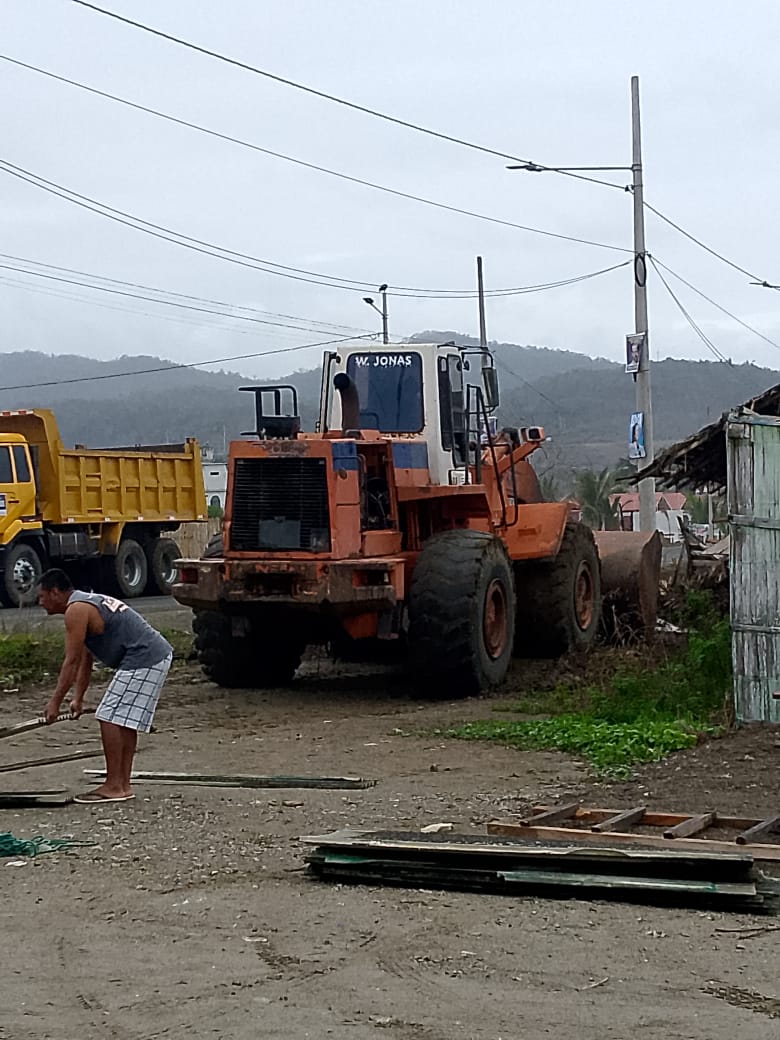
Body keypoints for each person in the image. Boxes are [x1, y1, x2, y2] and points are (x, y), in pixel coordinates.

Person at [37, 569, 173, 804]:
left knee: (108, 716)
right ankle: (123, 785)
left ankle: (114, 785)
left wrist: (55, 703)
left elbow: (70, 661)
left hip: (145, 655)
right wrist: (78, 698)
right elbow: (84, 660)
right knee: (123, 720)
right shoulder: (84, 604)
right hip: (153, 654)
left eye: (42, 596)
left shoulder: (76, 610)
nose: (40, 602)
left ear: (55, 592)